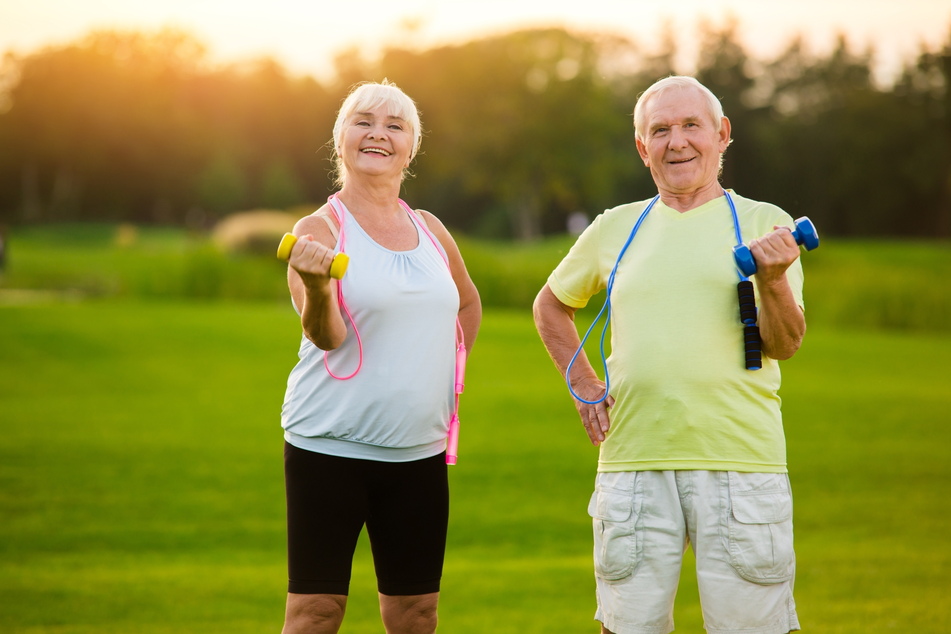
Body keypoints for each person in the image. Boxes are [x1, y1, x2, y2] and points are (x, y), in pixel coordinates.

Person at [533, 75, 806, 634]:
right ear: (642, 147)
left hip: (741, 465)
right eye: (660, 130)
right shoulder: (616, 227)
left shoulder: (766, 224)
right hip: (632, 464)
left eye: (690, 126)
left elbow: (784, 344)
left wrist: (773, 279)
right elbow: (550, 306)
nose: (676, 142)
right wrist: (585, 385)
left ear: (722, 134)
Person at [279, 80, 481, 634]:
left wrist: (440, 373)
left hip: (418, 453)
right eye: (363, 121)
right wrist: (320, 286)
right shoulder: (318, 231)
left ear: (411, 147)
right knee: (315, 612)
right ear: (340, 139)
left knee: (416, 615)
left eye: (395, 126)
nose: (378, 134)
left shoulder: (431, 230)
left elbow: (466, 301)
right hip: (329, 449)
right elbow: (325, 337)